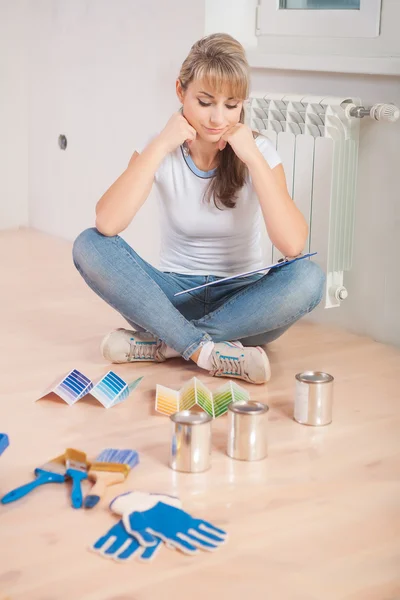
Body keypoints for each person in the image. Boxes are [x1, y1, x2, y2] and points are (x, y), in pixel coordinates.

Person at [72, 33, 325, 385]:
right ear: (181, 92)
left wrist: (251, 155)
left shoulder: (259, 152)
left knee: (310, 278)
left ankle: (168, 345)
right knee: (89, 243)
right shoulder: (160, 147)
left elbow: (293, 245)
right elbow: (108, 221)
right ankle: (206, 350)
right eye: (205, 102)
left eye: (231, 104)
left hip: (244, 306)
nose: (218, 118)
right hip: (172, 298)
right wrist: (161, 145)